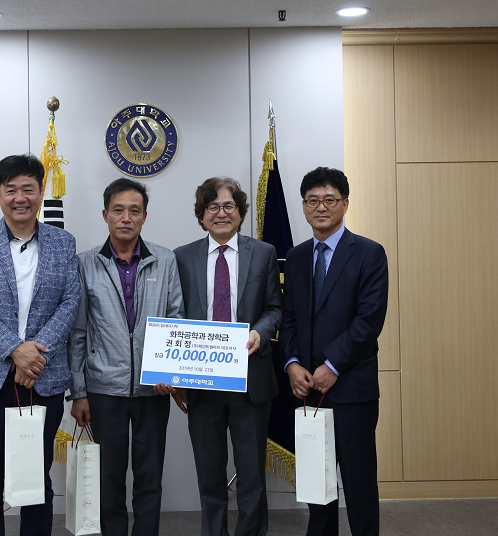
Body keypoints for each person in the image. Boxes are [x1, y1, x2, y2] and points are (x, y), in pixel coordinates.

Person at [0, 154, 81, 536]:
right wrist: (14, 349)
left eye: (29, 188)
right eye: (11, 190)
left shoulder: (63, 242)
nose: (20, 198)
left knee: (35, 478)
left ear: (41, 193)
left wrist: (34, 353)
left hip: (42, 376)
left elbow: (70, 302)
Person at [163, 177, 282, 536]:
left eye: (229, 205)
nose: (221, 213)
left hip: (251, 380)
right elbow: (174, 316)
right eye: (212, 207)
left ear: (241, 212)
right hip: (201, 383)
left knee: (251, 475)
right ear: (201, 215)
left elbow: (275, 308)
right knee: (210, 474)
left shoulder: (264, 252)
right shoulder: (182, 257)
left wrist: (259, 331)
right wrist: (175, 372)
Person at [68, 177, 185, 536]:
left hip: (154, 388)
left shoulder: (165, 260)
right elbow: (78, 332)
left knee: (150, 476)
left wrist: (171, 374)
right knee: (108, 476)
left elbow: (176, 320)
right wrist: (79, 392)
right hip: (104, 389)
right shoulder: (85, 263)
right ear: (105, 214)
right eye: (118, 210)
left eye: (134, 211)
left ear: (144, 217)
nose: (126, 218)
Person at [278, 167, 388, 536]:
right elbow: (289, 317)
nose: (321, 207)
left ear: (345, 203)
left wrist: (333, 365)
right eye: (312, 200)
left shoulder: (369, 253)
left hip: (351, 389)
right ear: (304, 206)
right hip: (307, 390)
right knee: (317, 487)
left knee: (358, 484)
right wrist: (292, 364)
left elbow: (368, 320)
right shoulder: (296, 256)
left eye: (329, 199)